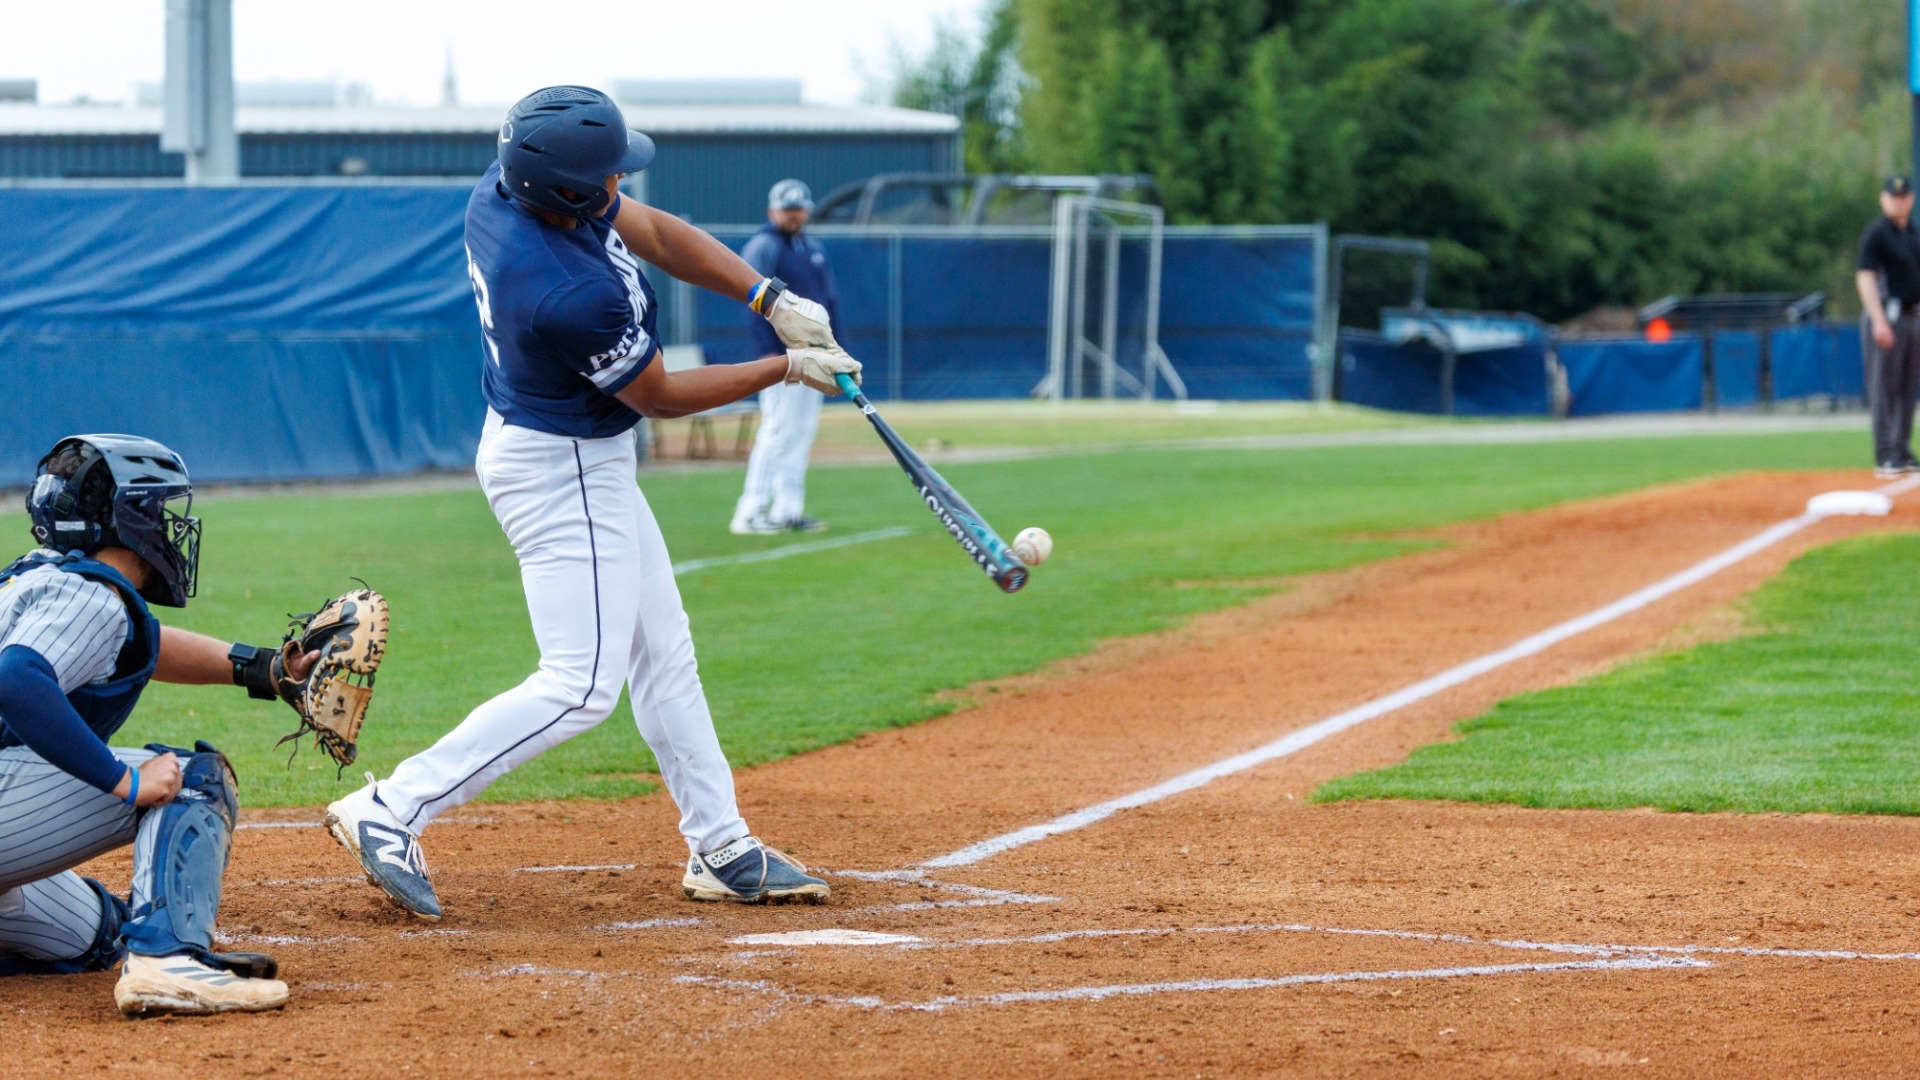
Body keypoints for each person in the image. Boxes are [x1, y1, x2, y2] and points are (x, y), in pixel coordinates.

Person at [323, 86, 859, 920]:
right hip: (561, 465)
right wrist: (784, 368)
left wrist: (769, 300)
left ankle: (719, 844)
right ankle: (392, 807)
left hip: (573, 453)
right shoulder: (565, 290)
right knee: (581, 686)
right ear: (570, 194)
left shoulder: (507, 189)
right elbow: (662, 394)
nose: (621, 185)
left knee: (664, 651)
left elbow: (650, 229)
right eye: (608, 176)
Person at [0, 434, 318, 1016]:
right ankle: (169, 962)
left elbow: (136, 645)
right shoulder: (91, 598)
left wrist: (264, 669)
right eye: (159, 510)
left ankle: (144, 945)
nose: (168, 528)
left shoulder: (44, 582)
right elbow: (19, 678)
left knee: (98, 935)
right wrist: (127, 784)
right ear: (127, 519)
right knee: (193, 778)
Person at [730, 179, 839, 534]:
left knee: (801, 432)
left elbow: (829, 302)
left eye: (799, 208)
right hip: (780, 358)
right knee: (777, 431)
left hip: (815, 356)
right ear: (772, 210)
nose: (794, 215)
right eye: (788, 209)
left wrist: (835, 349)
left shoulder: (811, 246)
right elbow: (753, 300)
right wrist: (765, 353)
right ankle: (751, 511)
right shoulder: (764, 246)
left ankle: (787, 510)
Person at [1856, 173, 1920, 478]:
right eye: (1893, 196)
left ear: (1911, 198)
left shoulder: (1913, 234)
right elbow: (1865, 276)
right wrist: (1878, 319)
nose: (1899, 201)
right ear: (1883, 199)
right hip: (1887, 316)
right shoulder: (1877, 234)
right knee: (1884, 386)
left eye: (1903, 196)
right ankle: (1885, 453)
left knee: (1907, 388)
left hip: (1911, 317)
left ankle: (1902, 449)